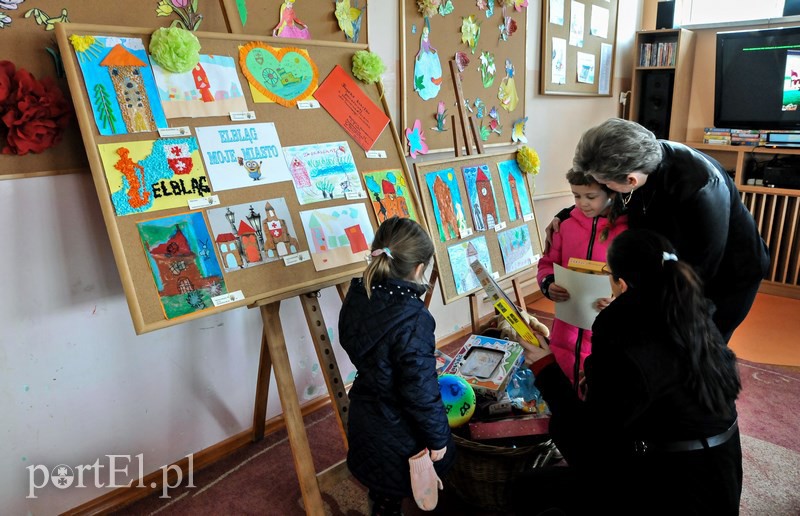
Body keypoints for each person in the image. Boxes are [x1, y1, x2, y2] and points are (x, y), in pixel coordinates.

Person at [518, 228, 743, 515]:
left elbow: (589, 448)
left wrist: (545, 366)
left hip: (674, 490)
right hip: (719, 476)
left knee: (530, 487)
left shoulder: (623, 337)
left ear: (621, 284)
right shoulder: (691, 313)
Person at [549, 118, 769, 342]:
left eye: (606, 183)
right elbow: (604, 200)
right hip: (673, 260)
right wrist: (565, 215)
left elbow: (699, 270)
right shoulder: (637, 160)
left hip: (725, 275)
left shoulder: (701, 187)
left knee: (700, 345)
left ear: (630, 180)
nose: (604, 188)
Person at [339, 217, 455, 515]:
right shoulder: (414, 318)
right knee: (446, 455)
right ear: (419, 268)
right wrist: (438, 438)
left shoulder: (357, 294)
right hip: (399, 431)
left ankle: (383, 504)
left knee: (383, 486)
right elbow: (420, 392)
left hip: (365, 415)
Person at [537, 169, 628, 390]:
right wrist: (548, 283)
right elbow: (547, 263)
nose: (582, 203)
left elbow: (635, 281)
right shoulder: (564, 226)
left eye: (590, 197)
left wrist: (619, 302)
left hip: (604, 333)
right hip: (564, 328)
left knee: (598, 389)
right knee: (563, 386)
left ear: (612, 193)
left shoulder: (627, 232)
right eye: (576, 196)